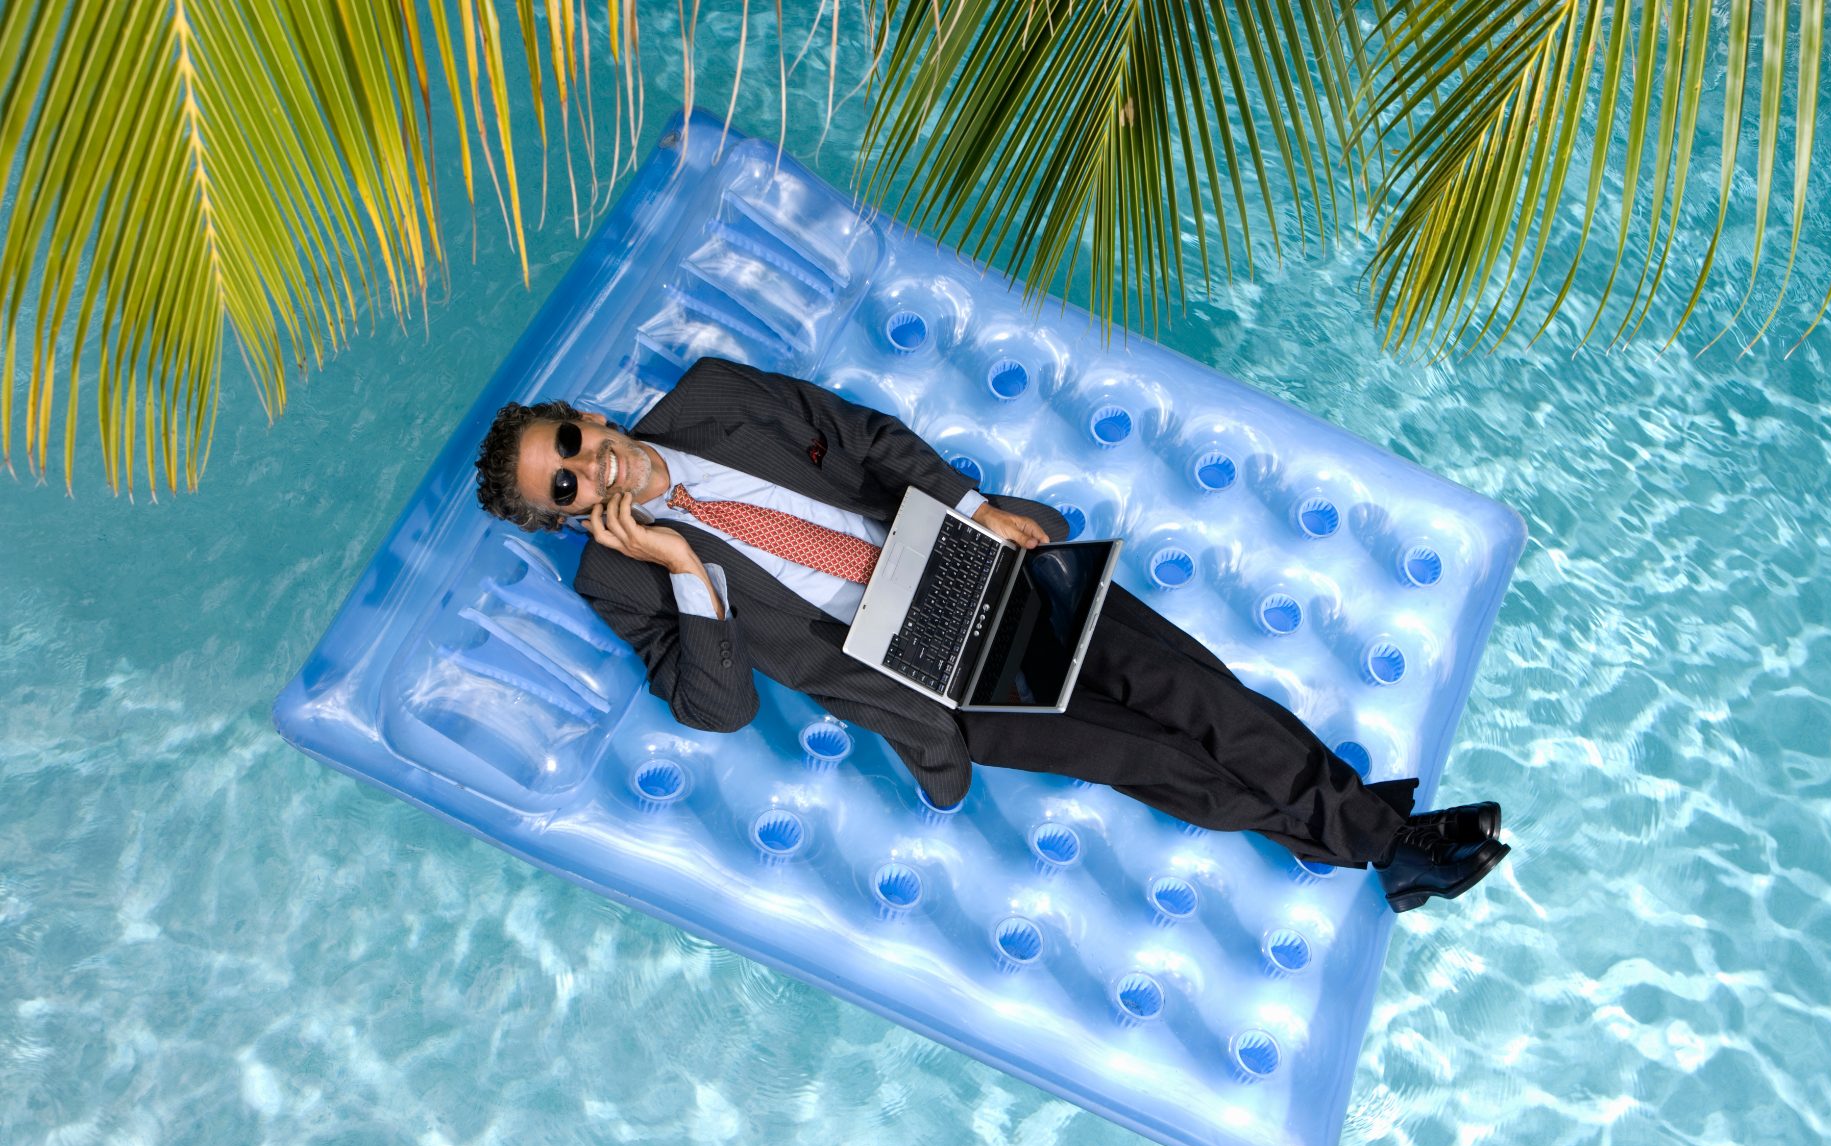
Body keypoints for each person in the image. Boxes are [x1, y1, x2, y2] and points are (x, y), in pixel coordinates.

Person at [473, 355, 1509, 910]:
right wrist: (685, 571)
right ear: (566, 514)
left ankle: (1386, 843)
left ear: (590, 418)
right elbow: (720, 707)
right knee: (1153, 758)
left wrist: (969, 507)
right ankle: (1388, 842)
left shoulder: (709, 393)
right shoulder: (623, 581)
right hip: (920, 678)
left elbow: (867, 437)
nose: (586, 470)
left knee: (1196, 691)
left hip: (958, 558)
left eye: (570, 444)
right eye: (561, 489)